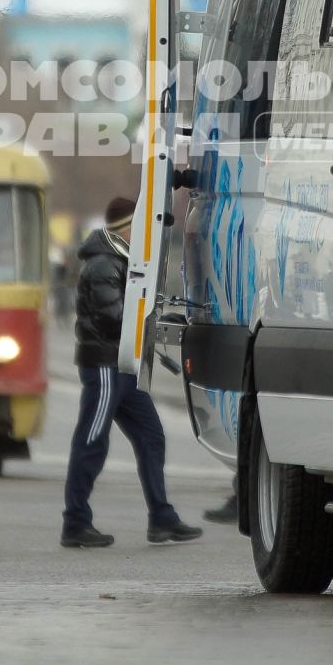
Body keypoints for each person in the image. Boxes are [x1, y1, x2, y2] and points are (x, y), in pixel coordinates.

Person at [61, 196, 201, 549]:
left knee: (151, 435)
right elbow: (114, 316)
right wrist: (151, 319)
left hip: (123, 364)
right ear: (127, 229)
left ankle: (162, 518)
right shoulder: (102, 264)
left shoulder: (122, 261)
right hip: (106, 365)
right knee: (92, 439)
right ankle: (75, 522)